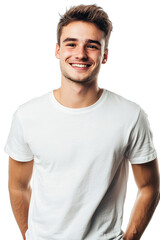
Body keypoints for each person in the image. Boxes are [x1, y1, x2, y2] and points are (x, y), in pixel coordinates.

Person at [4, 4, 160, 240]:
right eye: (71, 44)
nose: (80, 54)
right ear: (58, 50)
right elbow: (18, 186)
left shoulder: (131, 116)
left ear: (105, 55)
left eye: (92, 45)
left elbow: (149, 187)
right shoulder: (27, 116)